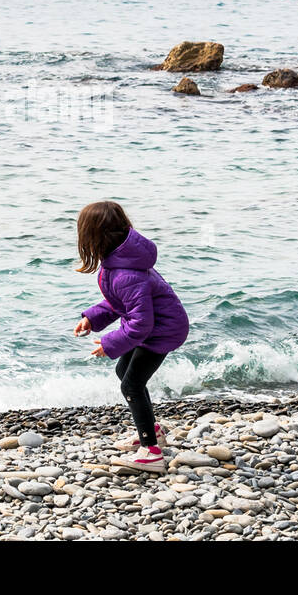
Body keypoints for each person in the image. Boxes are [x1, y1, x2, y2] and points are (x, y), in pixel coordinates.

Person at [73, 201, 189, 473]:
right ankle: (153, 431)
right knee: (125, 371)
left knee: (131, 385)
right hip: (153, 327)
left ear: (93, 237)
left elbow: (140, 323)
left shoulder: (125, 272)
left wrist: (110, 343)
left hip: (162, 330)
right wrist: (93, 317)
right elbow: (120, 303)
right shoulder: (121, 262)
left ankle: (151, 452)